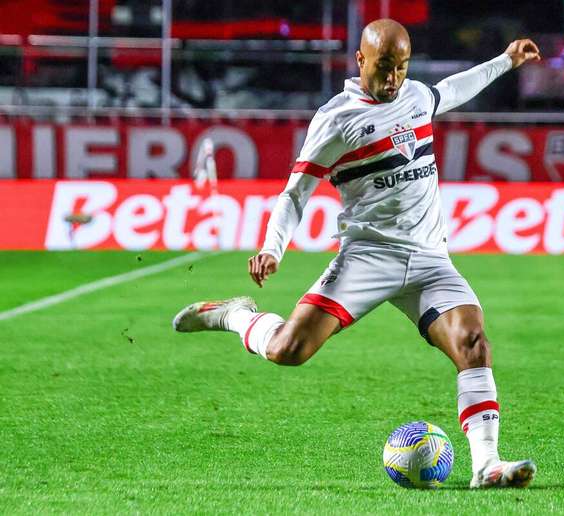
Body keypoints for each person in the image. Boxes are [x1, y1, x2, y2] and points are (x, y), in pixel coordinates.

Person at [173, 18, 541, 489]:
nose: (393, 79)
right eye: (385, 67)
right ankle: (234, 316)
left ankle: (485, 465)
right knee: (289, 350)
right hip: (368, 256)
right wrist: (272, 247)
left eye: (402, 68)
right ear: (361, 60)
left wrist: (506, 60)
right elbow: (295, 193)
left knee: (474, 345)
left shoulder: (414, 96)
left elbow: (452, 89)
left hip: (430, 258)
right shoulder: (336, 121)